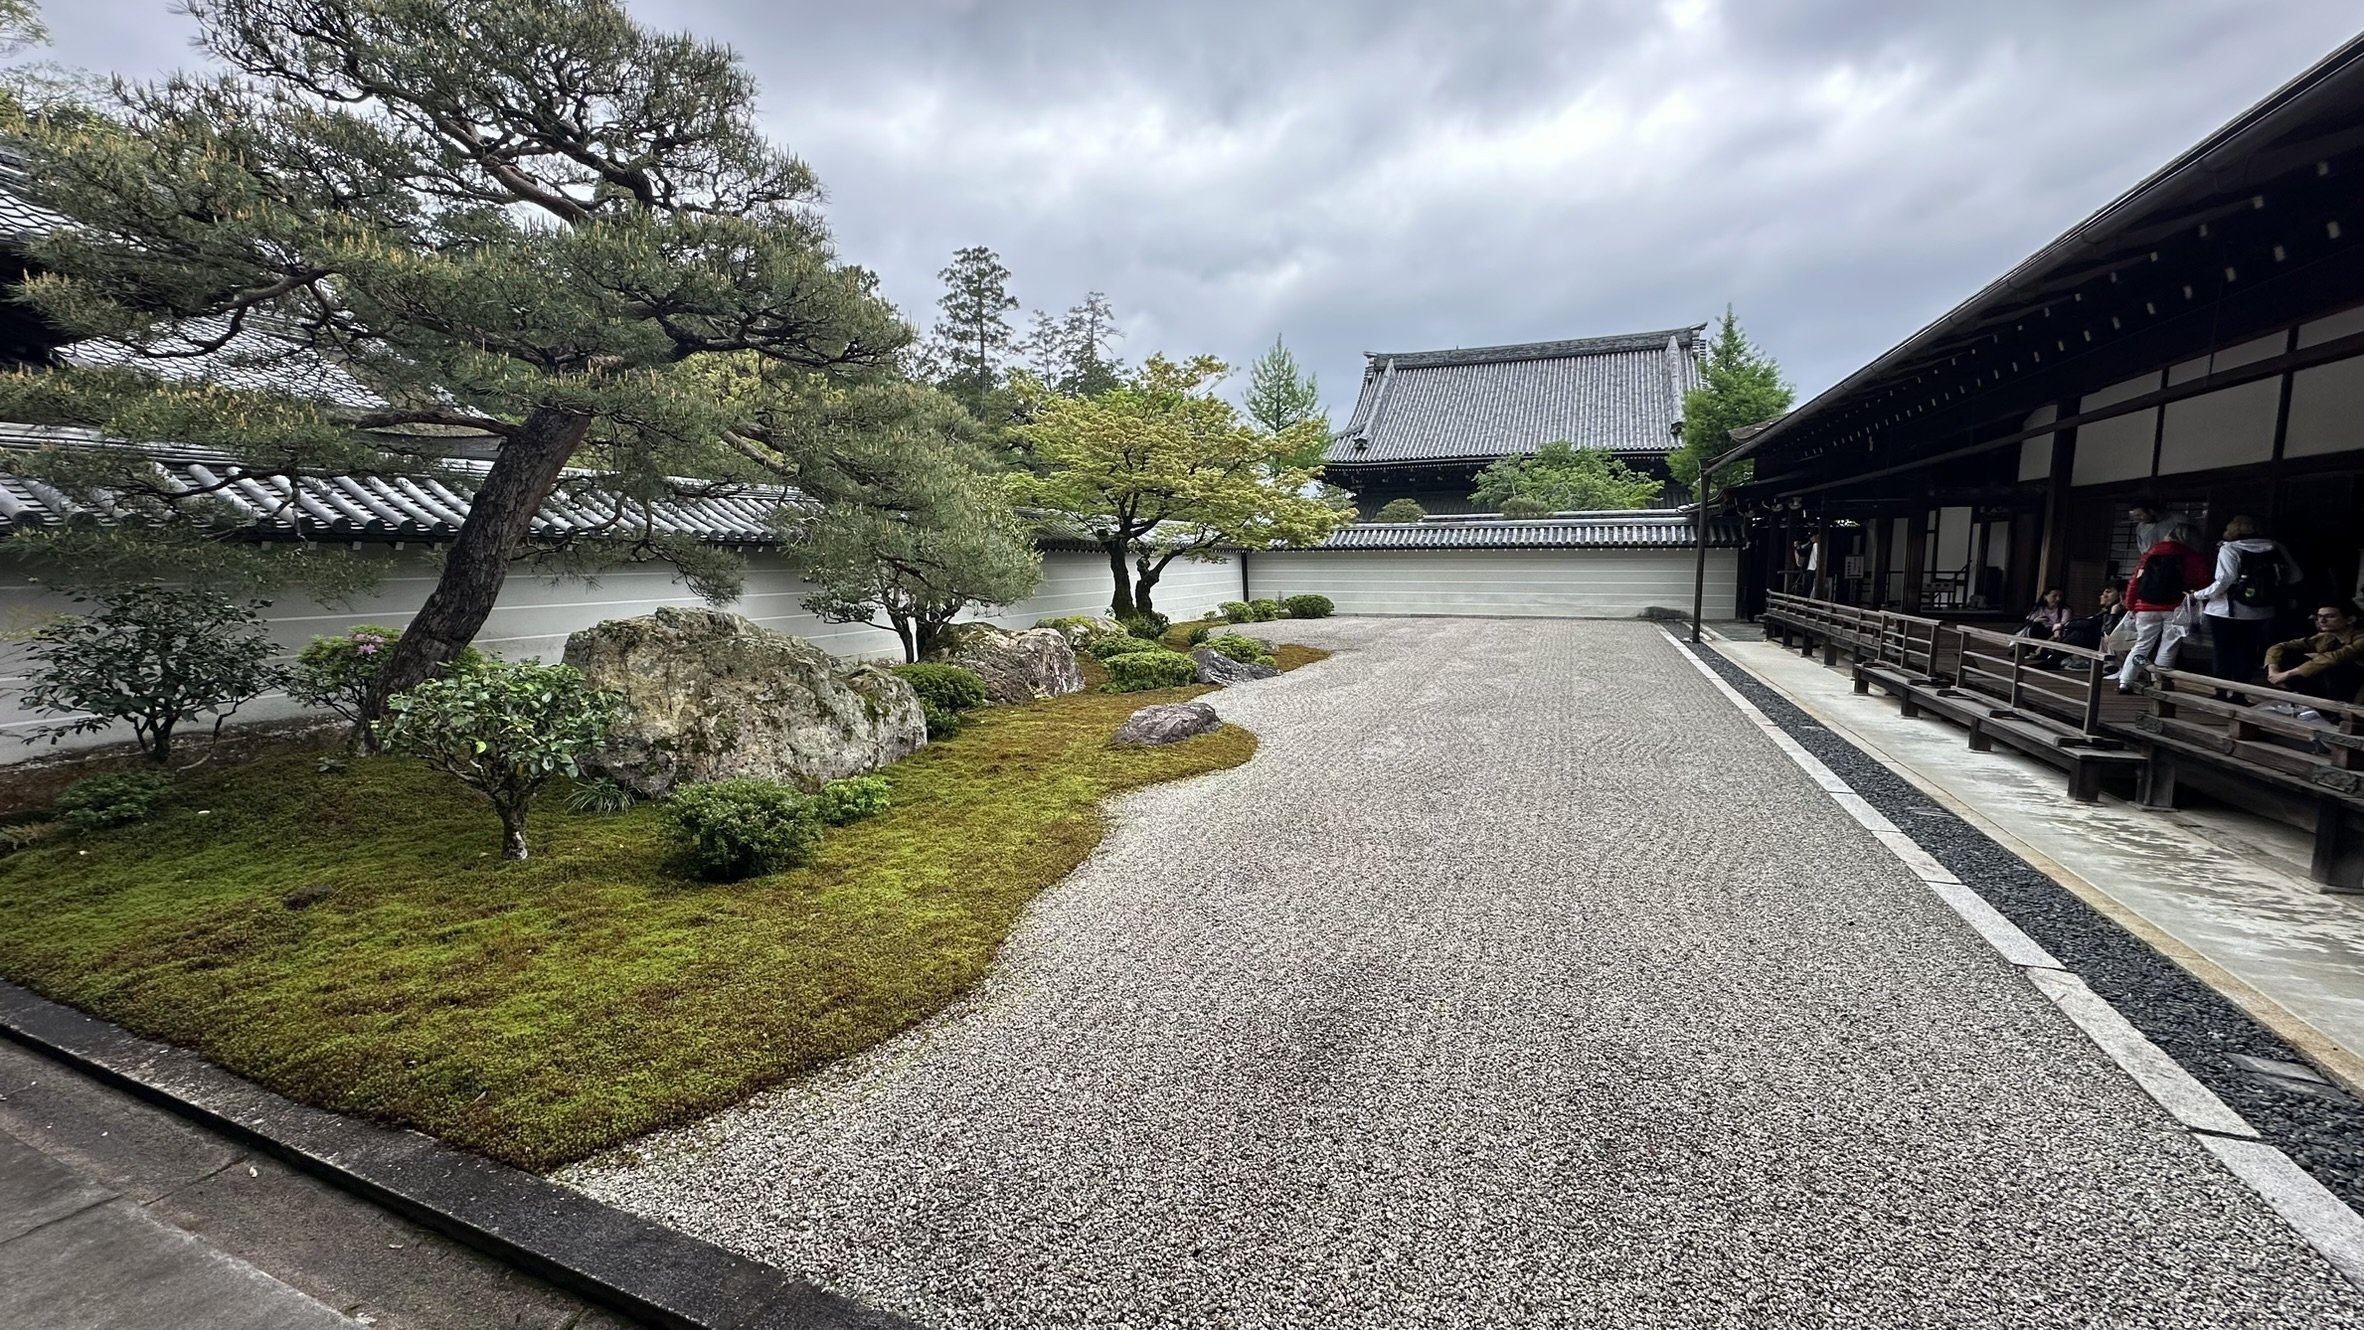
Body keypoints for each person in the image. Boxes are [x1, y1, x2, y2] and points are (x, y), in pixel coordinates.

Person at [2191, 515, 2302, 702]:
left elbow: (2224, 580)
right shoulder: (2276, 548)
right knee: (2247, 652)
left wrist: (2198, 595)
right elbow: (2296, 576)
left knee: (2222, 651)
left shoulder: (2230, 549)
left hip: (2226, 610)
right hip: (2262, 611)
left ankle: (2221, 692)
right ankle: (2240, 694)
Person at [2116, 522, 2209, 694]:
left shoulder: (2149, 554)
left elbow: (2135, 581)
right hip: (2176, 607)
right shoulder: (2192, 556)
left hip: (2145, 607)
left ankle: (2125, 680)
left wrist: (2131, 604)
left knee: (2142, 645)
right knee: (2169, 645)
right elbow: (2202, 581)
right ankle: (2159, 681)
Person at [2264, 601, 2364, 705]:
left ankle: (2332, 708)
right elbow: (2279, 647)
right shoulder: (2327, 636)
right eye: (2319, 616)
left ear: (2350, 620)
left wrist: (2287, 674)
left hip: (2356, 684)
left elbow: (2334, 658)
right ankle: (2309, 698)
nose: (2322, 621)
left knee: (2333, 667)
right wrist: (2273, 671)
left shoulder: (2361, 639)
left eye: (2330, 616)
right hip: (2335, 683)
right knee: (2287, 656)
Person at [2057, 586, 2128, 670]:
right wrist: (2065, 626)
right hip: (2100, 645)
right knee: (2076, 631)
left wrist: (2113, 615)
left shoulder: (2122, 612)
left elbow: (2106, 631)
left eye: (2108, 592)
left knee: (2080, 634)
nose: (2103, 596)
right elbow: (2088, 621)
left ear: (2120, 596)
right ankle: (2053, 656)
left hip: (2111, 648)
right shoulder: (2105, 611)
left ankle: (2054, 657)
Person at [2017, 588, 2072, 666]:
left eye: (2060, 596)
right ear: (2045, 596)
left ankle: (2040, 651)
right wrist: (2035, 620)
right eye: (2054, 596)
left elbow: (2063, 626)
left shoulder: (2065, 610)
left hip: (2055, 633)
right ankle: (2034, 650)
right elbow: (2029, 620)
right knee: (2035, 626)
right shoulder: (2039, 608)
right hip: (2040, 631)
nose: (2058, 599)